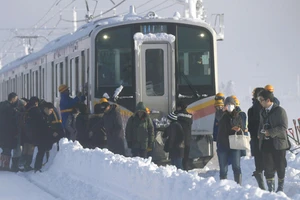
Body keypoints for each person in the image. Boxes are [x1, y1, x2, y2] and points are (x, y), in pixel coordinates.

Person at [257, 89, 289, 192]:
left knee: (280, 166)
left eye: (261, 100)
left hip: (278, 143)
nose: (260, 102)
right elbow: (261, 125)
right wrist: (260, 134)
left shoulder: (280, 111)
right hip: (266, 143)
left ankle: (280, 187)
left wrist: (270, 132)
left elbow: (283, 127)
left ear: (268, 100)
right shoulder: (262, 111)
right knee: (268, 167)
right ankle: (270, 189)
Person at [217, 96, 245, 185]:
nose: (230, 106)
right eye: (228, 104)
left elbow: (243, 128)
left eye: (231, 104)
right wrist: (223, 111)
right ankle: (223, 185)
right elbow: (218, 118)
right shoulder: (221, 114)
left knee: (236, 167)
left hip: (234, 144)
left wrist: (239, 130)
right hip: (223, 144)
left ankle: (238, 185)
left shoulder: (238, 116)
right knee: (223, 168)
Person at [248, 87, 265, 189]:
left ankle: (262, 186)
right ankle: (267, 188)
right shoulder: (265, 109)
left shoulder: (251, 110)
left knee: (259, 165)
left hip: (255, 139)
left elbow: (250, 127)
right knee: (267, 164)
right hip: (265, 139)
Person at [0, 92, 19, 171]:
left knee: (4, 148)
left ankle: (2, 164)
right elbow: (11, 121)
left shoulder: (2, 105)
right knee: (7, 148)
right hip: (8, 131)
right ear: (13, 99)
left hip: (2, 131)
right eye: (16, 99)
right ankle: (5, 166)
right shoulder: (10, 108)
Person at [175, 101, 192, 170]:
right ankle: (186, 172)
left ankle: (180, 173)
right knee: (186, 158)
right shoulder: (190, 116)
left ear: (180, 107)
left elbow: (170, 117)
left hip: (180, 140)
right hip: (187, 139)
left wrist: (175, 112)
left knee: (179, 158)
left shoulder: (178, 116)